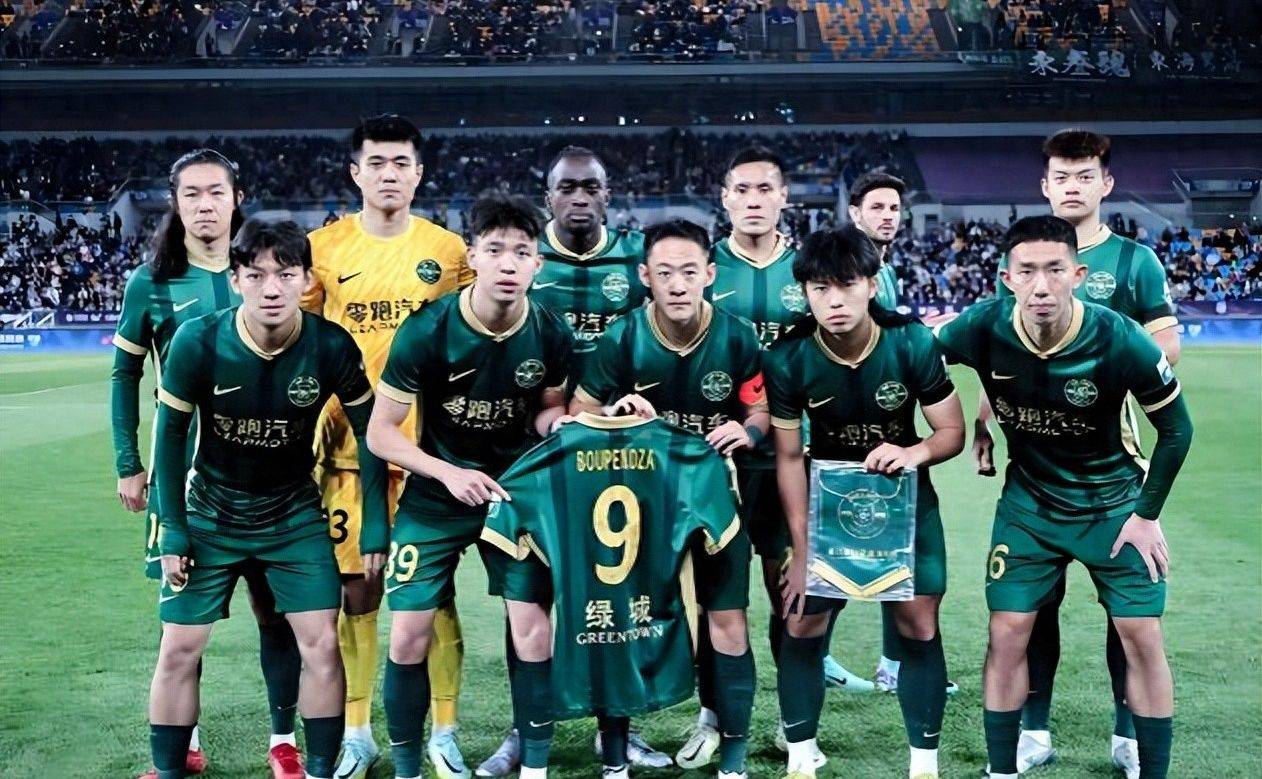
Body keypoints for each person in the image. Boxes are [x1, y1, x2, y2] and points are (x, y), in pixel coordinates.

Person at [937, 215, 1192, 779]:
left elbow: (1178, 430)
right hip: (1029, 507)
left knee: (1142, 636)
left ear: (1077, 275)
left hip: (1114, 507)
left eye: (1055, 270)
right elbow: (916, 356)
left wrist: (1146, 515)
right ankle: (1003, 768)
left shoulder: (1120, 336)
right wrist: (969, 423)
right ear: (1007, 278)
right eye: (1027, 271)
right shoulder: (982, 326)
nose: (1041, 285)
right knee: (1007, 630)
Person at [147, 219, 388, 779]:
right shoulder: (198, 341)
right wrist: (174, 528)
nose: (271, 288)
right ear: (235, 280)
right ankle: (169, 770)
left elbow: (371, 434)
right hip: (211, 511)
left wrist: (376, 523)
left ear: (307, 279)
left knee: (321, 645)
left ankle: (319, 769)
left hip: (293, 513)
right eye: (255, 275)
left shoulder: (331, 345)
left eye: (285, 273)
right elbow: (169, 438)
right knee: (178, 648)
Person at [111, 149, 305, 779]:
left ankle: (283, 741)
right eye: (191, 193)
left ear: (236, 197)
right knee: (183, 620)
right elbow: (125, 374)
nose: (204, 205)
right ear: (175, 202)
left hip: (270, 470)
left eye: (215, 192)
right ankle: (183, 741)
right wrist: (128, 462)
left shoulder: (266, 272)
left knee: (275, 613)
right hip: (185, 475)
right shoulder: (151, 282)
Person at [365, 194, 573, 779]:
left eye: (522, 252)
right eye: (495, 250)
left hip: (514, 496)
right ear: (472, 256)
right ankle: (408, 767)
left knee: (533, 630)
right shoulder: (427, 330)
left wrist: (556, 423)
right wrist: (448, 473)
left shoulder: (551, 332)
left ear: (538, 264)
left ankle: (534, 769)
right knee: (408, 635)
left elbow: (547, 406)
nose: (508, 263)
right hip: (438, 493)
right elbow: (381, 433)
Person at [478, 145, 664, 777]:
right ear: (548, 195)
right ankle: (526, 726)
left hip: (616, 463)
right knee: (529, 600)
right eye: (567, 188)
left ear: (608, 194)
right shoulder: (527, 259)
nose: (579, 197)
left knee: (614, 599)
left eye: (591, 187)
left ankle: (620, 731)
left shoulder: (636, 262)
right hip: (532, 454)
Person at [302, 114, 472, 779]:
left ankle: (445, 730)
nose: (389, 174)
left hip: (427, 456)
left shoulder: (448, 252)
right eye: (376, 163)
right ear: (356, 172)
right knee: (358, 591)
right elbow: (305, 347)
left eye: (401, 162)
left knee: (433, 595)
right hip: (347, 456)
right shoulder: (322, 249)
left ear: (419, 173)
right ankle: (358, 731)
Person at [769, 225, 965, 779]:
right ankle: (801, 759)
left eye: (847, 285)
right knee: (802, 623)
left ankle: (923, 764)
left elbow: (950, 432)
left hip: (904, 503)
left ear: (872, 285)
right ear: (805, 294)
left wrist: (913, 452)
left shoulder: (911, 343)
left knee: (918, 625)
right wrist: (802, 549)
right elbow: (788, 458)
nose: (834, 300)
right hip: (827, 508)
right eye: (820, 289)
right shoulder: (787, 357)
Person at [571, 218, 764, 779]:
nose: (677, 284)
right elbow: (577, 414)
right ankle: (615, 758)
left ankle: (733, 760)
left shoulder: (737, 336)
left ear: (710, 274)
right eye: (664, 273)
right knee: (621, 624)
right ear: (644, 277)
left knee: (727, 619)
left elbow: (758, 409)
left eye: (688, 272)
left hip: (714, 499)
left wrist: (747, 430)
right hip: (635, 508)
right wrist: (614, 413)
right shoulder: (622, 338)